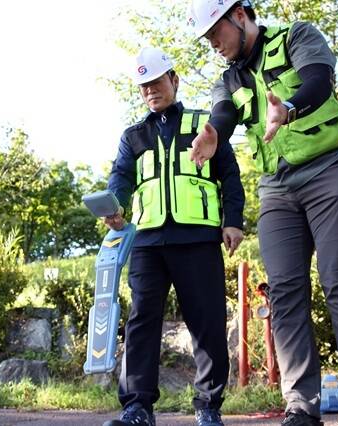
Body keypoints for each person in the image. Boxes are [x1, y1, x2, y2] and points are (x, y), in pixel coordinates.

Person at [186, 1, 338, 426]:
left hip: (331, 166)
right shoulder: (228, 78)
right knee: (285, 292)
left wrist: (287, 108)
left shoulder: (297, 36)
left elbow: (318, 80)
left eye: (216, 32)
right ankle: (301, 408)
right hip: (277, 186)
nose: (213, 44)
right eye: (207, 39)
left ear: (239, 15)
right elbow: (223, 112)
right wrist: (216, 133)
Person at [103, 46, 245, 426]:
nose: (151, 91)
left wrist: (233, 221)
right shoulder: (133, 136)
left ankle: (208, 408)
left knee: (207, 322)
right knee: (141, 321)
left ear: (174, 80)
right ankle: (137, 407)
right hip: (148, 242)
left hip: (197, 238)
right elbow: (120, 178)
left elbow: (229, 175)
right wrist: (113, 205)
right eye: (144, 86)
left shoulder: (204, 126)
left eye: (157, 82)